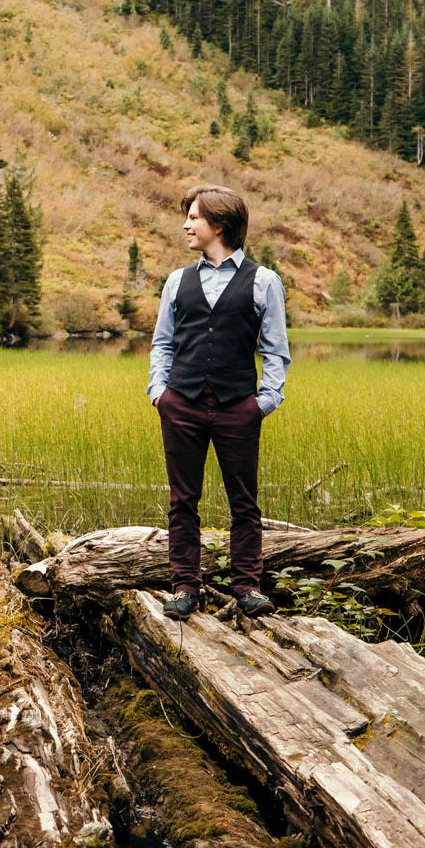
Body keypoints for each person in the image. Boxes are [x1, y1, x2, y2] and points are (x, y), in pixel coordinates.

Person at [148, 185, 291, 619]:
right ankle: (185, 589)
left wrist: (263, 402)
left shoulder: (264, 281)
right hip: (182, 405)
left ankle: (247, 587)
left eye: (194, 217)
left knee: (244, 502)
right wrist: (160, 393)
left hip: (237, 407)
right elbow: (162, 344)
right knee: (182, 501)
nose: (186, 225)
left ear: (220, 225)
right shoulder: (177, 281)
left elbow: (276, 351)